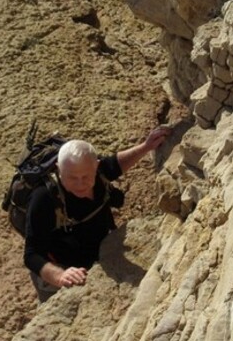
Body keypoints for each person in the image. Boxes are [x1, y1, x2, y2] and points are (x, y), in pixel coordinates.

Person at [24, 125, 171, 301]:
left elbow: (116, 164)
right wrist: (60, 276)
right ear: (58, 169)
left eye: (86, 176)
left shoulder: (98, 171)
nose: (80, 184)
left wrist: (146, 146)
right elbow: (31, 254)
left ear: (96, 167)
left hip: (100, 250)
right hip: (64, 266)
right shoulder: (44, 198)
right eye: (71, 178)